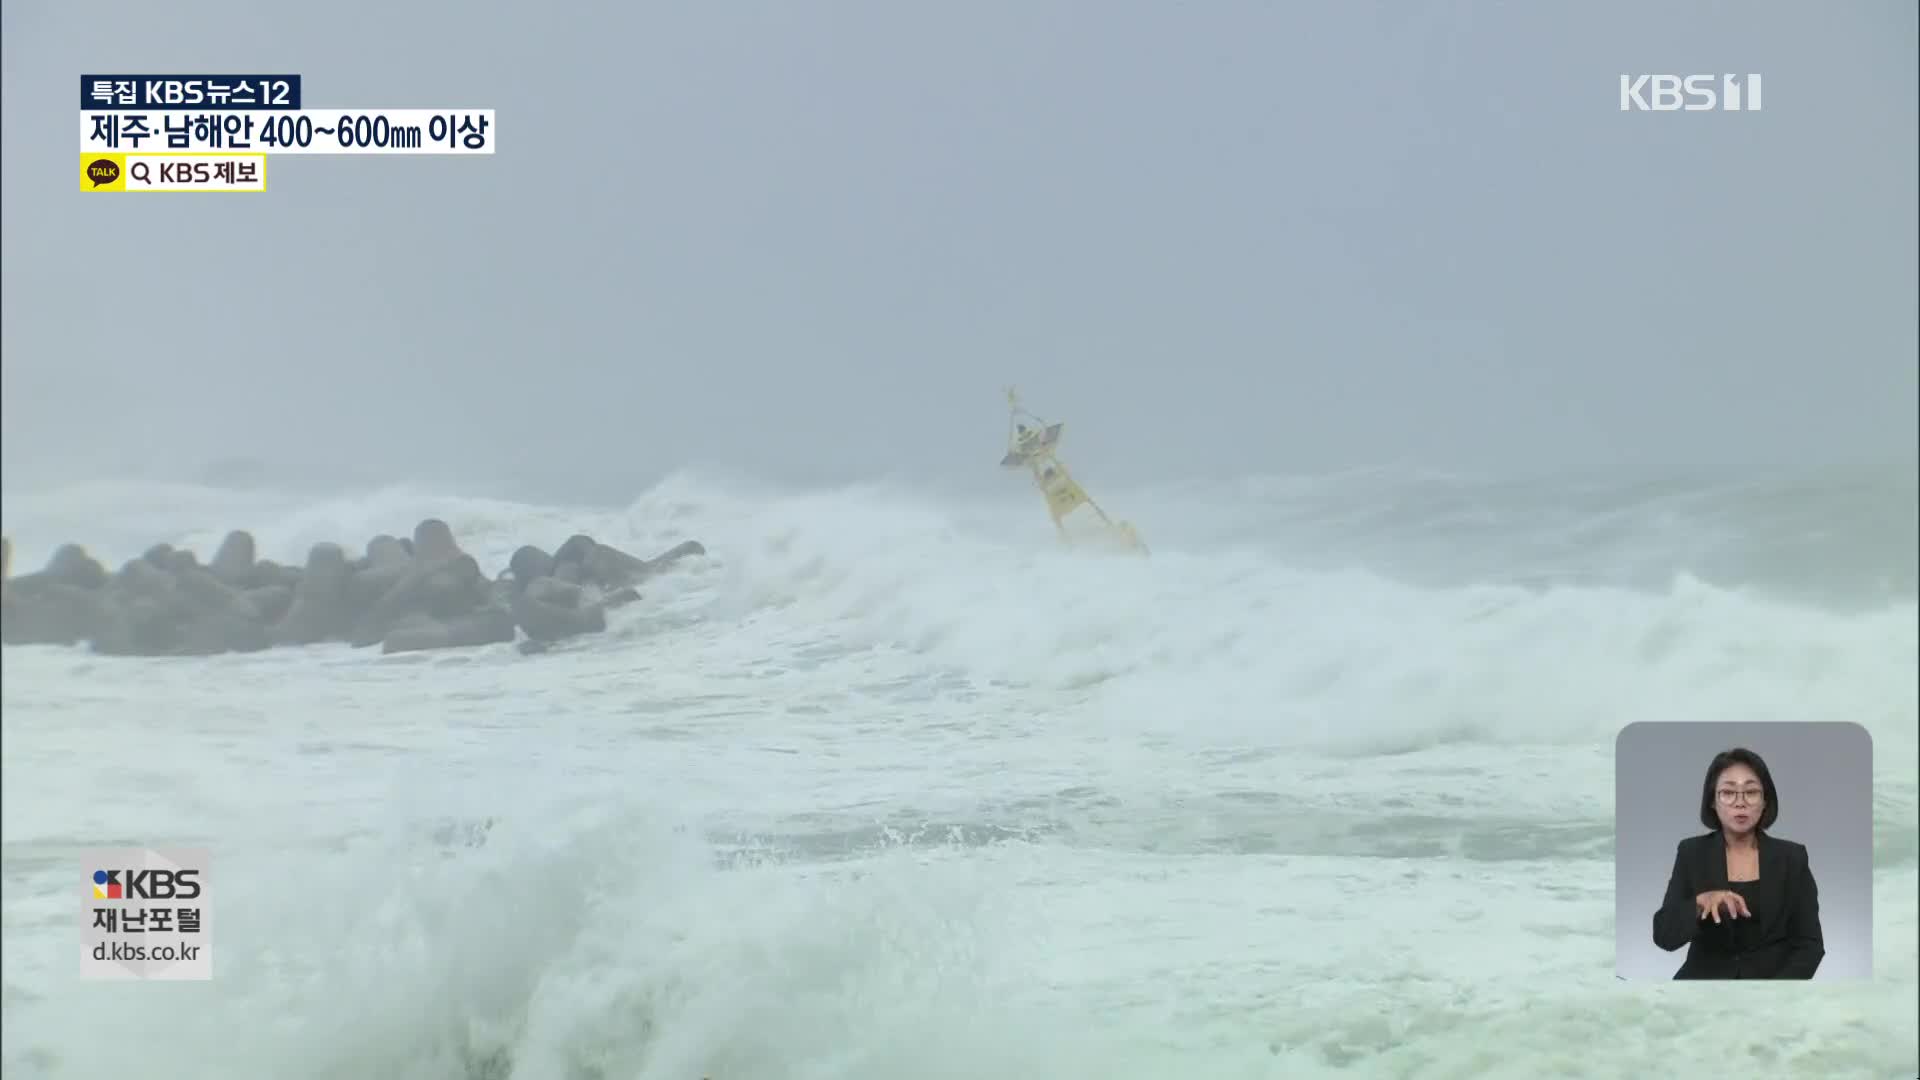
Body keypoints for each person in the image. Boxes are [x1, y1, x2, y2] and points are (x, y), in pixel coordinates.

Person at [1651, 747, 1825, 979]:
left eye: (1751, 792)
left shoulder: (1792, 858)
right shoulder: (1691, 853)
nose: (1740, 803)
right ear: (1712, 801)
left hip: (1772, 989)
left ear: (1765, 801)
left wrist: (1776, 994)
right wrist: (1701, 903)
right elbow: (1664, 935)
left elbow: (1810, 945)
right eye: (1728, 792)